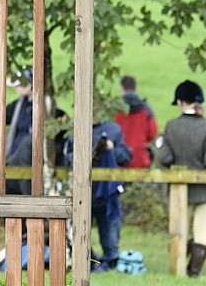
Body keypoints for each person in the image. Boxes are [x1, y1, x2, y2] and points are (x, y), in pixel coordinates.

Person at [157, 79, 206, 277]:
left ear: (181, 102)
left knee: (180, 230)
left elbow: (165, 158)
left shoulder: (171, 126)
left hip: (180, 189)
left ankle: (178, 271)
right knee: (201, 230)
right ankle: (193, 273)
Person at [65, 115, 132, 271]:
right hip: (80, 192)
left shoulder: (113, 129)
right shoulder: (73, 130)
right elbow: (66, 157)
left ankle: (111, 261)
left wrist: (110, 148)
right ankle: (84, 262)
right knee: (79, 233)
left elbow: (126, 156)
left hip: (107, 192)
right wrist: (85, 153)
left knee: (110, 231)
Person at [115, 75, 158, 168]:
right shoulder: (146, 109)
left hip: (119, 161)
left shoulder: (115, 109)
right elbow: (152, 133)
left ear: (121, 88)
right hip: (140, 160)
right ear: (136, 88)